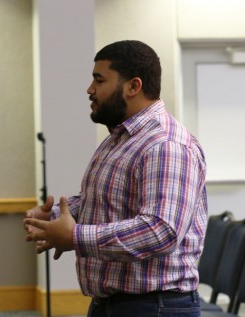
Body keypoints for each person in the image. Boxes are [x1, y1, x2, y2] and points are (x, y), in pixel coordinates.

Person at [24, 40, 207, 317]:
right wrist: (54, 219)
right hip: (114, 304)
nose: (90, 89)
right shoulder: (120, 139)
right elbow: (104, 201)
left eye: (99, 80)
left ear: (133, 86)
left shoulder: (166, 144)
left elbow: (161, 230)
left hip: (154, 307)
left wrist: (74, 236)